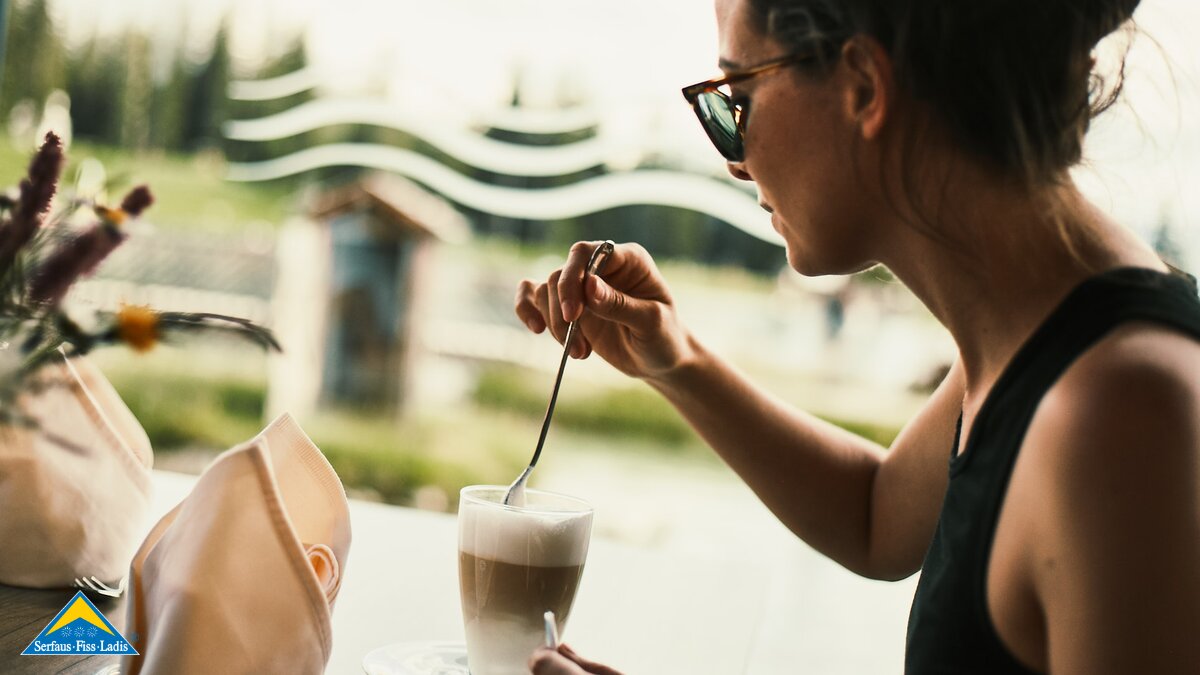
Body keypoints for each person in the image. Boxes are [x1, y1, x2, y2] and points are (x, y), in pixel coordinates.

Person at [516, 0, 1200, 672]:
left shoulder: (1124, 415)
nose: (733, 157)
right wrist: (675, 359)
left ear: (865, 87)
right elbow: (879, 517)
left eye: (736, 97)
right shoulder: (1040, 340)